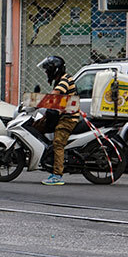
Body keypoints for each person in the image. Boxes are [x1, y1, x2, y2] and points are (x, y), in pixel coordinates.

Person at [39, 56, 79, 185]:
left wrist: (37, 102)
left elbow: (54, 94)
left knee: (58, 143)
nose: (46, 73)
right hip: (63, 116)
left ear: (54, 70)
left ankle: (57, 175)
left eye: (47, 70)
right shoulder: (62, 79)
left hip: (68, 119)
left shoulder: (64, 81)